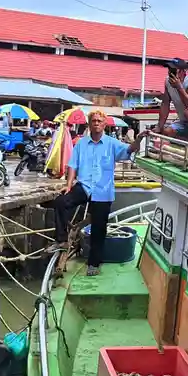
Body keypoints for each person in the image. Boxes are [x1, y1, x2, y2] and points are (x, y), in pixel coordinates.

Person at [53, 111, 142, 276]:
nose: (96, 123)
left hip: (103, 190)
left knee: (99, 229)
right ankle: (62, 240)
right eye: (93, 120)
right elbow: (73, 165)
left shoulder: (112, 143)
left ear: (104, 124)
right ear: (89, 123)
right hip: (85, 186)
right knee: (60, 202)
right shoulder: (81, 144)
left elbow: (130, 149)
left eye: (99, 121)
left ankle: (94, 263)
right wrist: (69, 185)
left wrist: (139, 138)